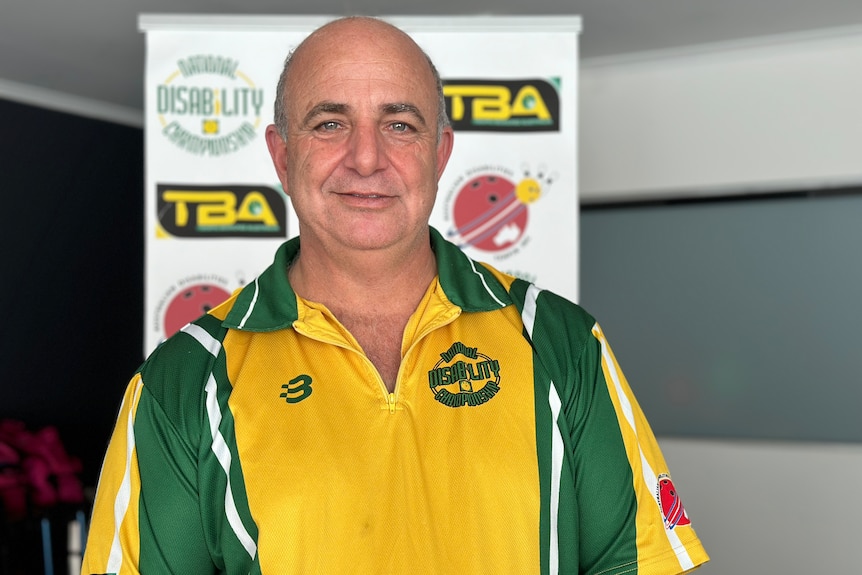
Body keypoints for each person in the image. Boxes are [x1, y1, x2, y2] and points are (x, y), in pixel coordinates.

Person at [82, 16, 709, 575]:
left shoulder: (560, 342)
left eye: (399, 124)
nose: (365, 158)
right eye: (330, 123)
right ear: (281, 155)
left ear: (439, 152)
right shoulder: (183, 382)